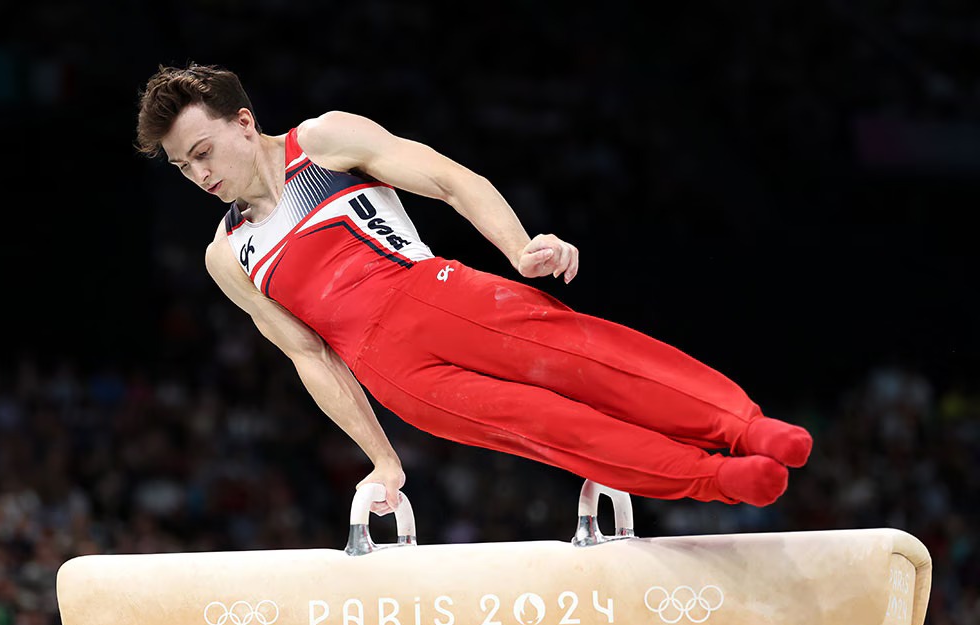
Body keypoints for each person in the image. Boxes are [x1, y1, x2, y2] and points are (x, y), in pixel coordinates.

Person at [134, 63, 812, 517]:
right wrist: (384, 461)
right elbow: (311, 357)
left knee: (587, 360)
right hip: (394, 374)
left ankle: (747, 426)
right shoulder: (228, 256)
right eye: (181, 166)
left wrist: (520, 249)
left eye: (202, 151)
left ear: (244, 123)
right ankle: (715, 479)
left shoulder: (324, 142)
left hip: (431, 295)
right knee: (551, 429)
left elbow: (454, 180)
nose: (198, 173)